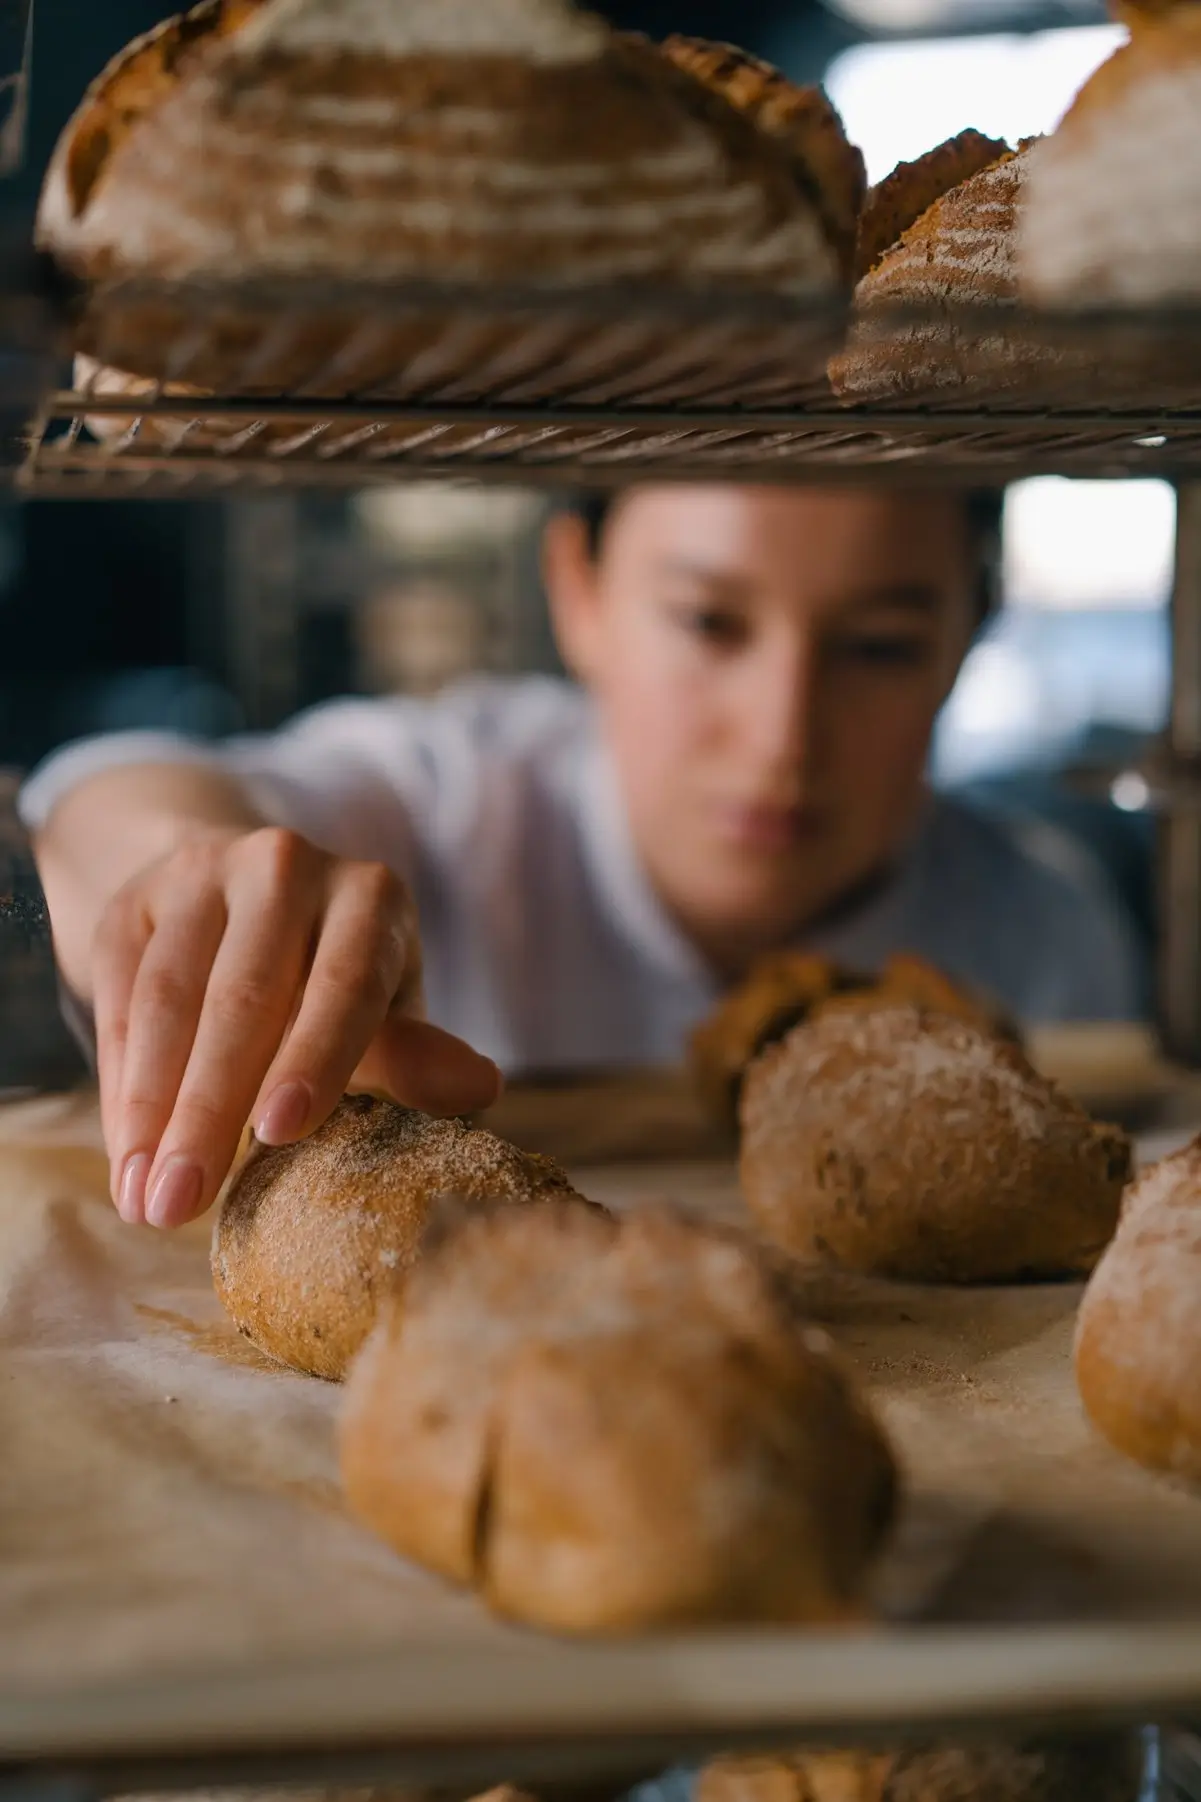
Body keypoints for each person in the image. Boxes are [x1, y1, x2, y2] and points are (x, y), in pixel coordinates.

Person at [21, 483, 1144, 1232]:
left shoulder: (1046, 939)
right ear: (578, 591)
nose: (782, 735)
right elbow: (104, 790)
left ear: (970, 635)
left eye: (881, 645)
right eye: (709, 621)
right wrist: (186, 863)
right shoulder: (455, 800)